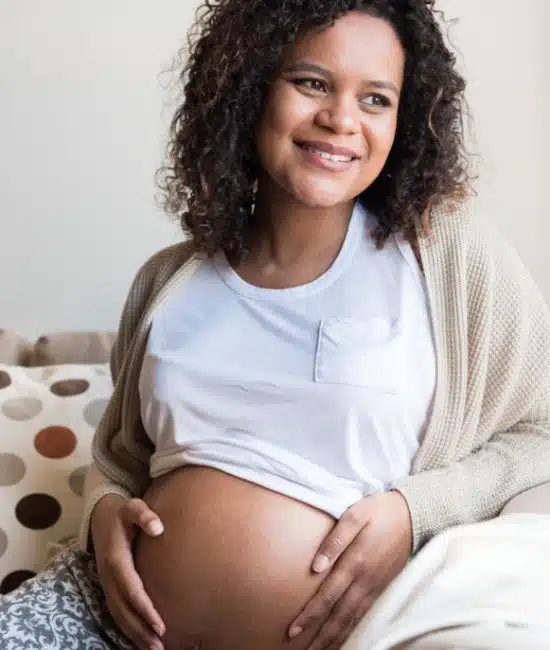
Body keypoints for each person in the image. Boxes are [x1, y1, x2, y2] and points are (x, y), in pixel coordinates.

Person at [2, 0, 550, 649]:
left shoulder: (448, 259)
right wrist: (102, 511)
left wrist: (416, 510)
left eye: (375, 99)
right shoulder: (167, 279)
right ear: (250, 88)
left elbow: (542, 429)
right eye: (312, 83)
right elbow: (119, 462)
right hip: (103, 621)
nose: (341, 119)